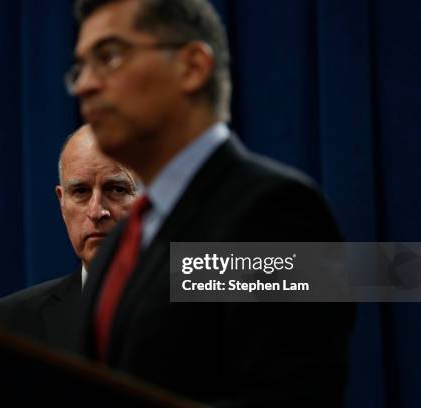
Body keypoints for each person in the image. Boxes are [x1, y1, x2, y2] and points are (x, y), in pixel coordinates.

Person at [67, 0, 355, 405]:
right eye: (80, 68)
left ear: (192, 66)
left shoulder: (274, 212)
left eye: (109, 57)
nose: (86, 85)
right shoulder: (120, 244)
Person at [0, 125, 137, 351]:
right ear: (62, 202)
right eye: (81, 192)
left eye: (116, 189)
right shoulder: (10, 320)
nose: (96, 212)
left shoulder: (198, 278)